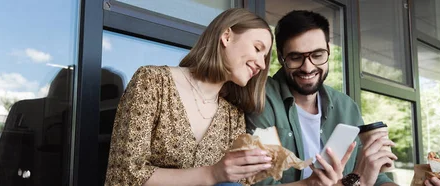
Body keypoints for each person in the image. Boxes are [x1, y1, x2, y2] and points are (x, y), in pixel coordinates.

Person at [105, 8, 275, 186]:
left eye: (265, 57)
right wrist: (212, 174)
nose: (262, 65)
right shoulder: (153, 82)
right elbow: (124, 174)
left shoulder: (233, 117)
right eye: (257, 49)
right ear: (226, 36)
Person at [246, 10, 400, 186]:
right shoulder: (262, 98)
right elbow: (259, 184)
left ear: (328, 50)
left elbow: (376, 178)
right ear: (281, 57)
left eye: (317, 55)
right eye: (296, 58)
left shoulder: (346, 106)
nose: (308, 67)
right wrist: (354, 182)